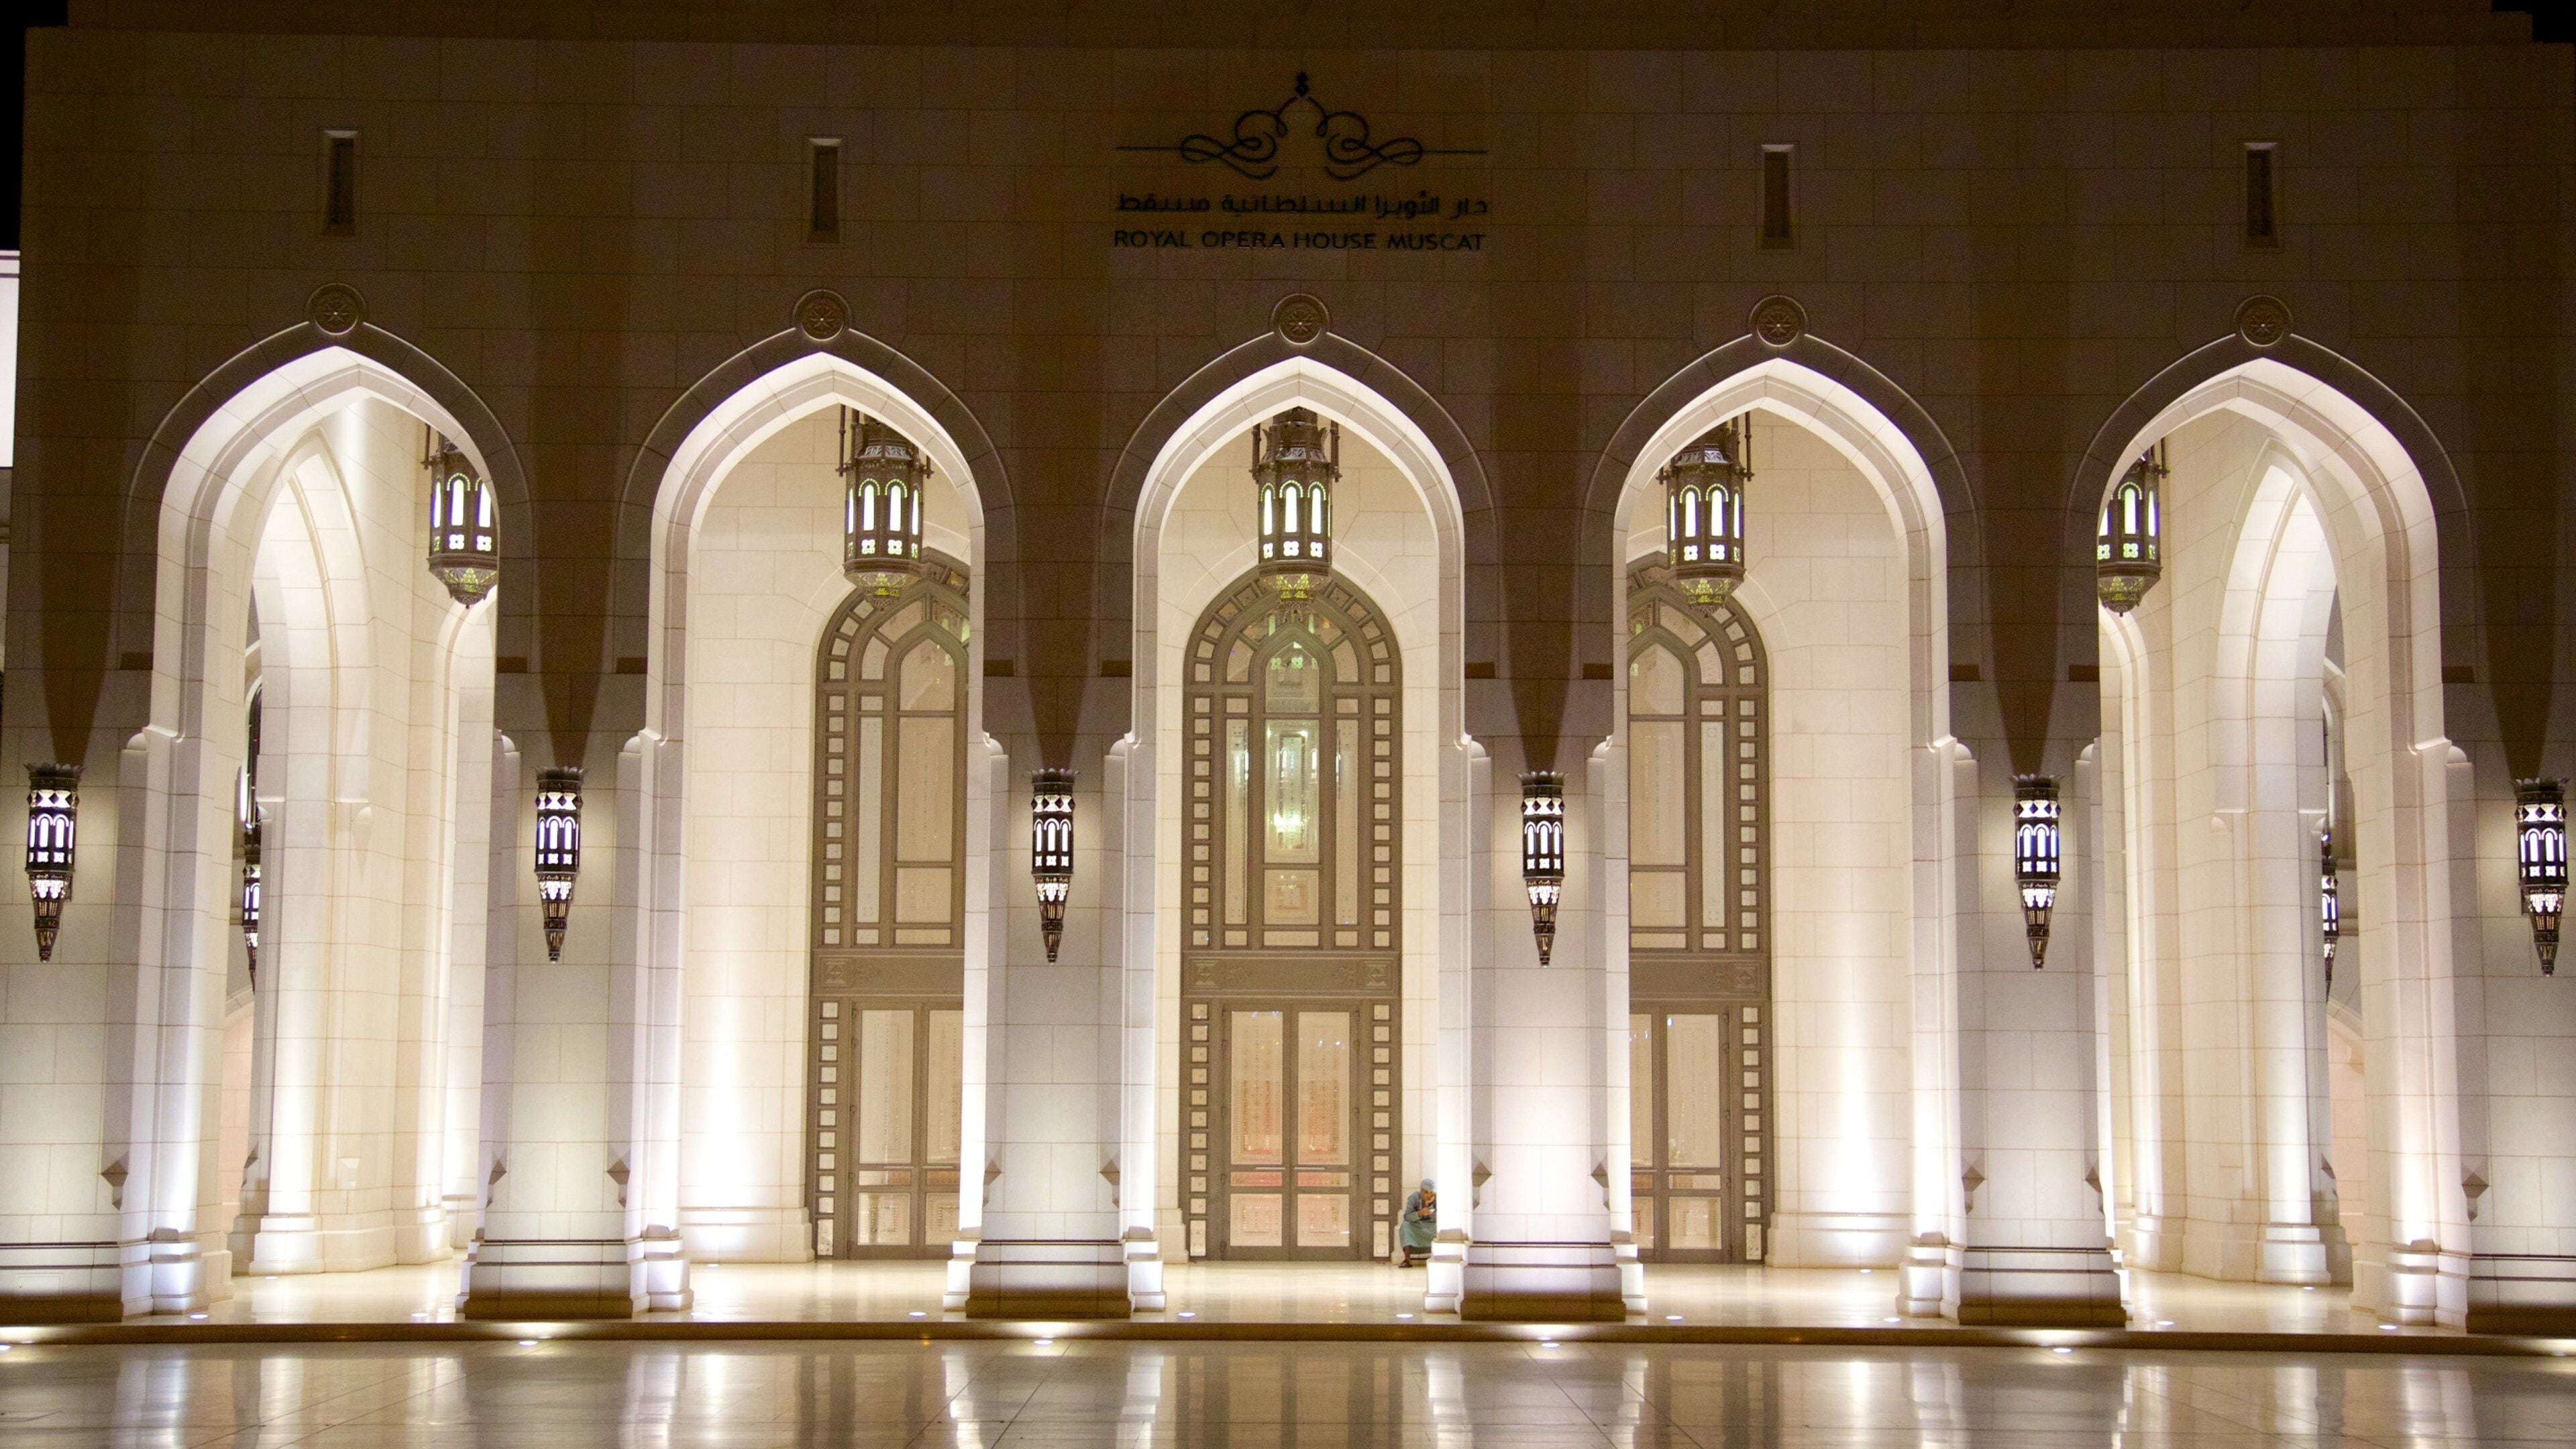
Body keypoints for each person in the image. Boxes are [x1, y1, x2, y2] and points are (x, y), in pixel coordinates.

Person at [1397, 1178, 1436, 1267]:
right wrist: (1419, 1214)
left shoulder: (1437, 1199)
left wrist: (1429, 1207)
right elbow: (1407, 1217)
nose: (1429, 1195)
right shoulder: (1414, 1197)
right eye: (1426, 1193)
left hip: (1432, 1225)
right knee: (1405, 1226)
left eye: (1431, 1193)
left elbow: (1441, 1217)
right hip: (1417, 1225)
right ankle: (1407, 1259)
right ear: (1422, 1191)